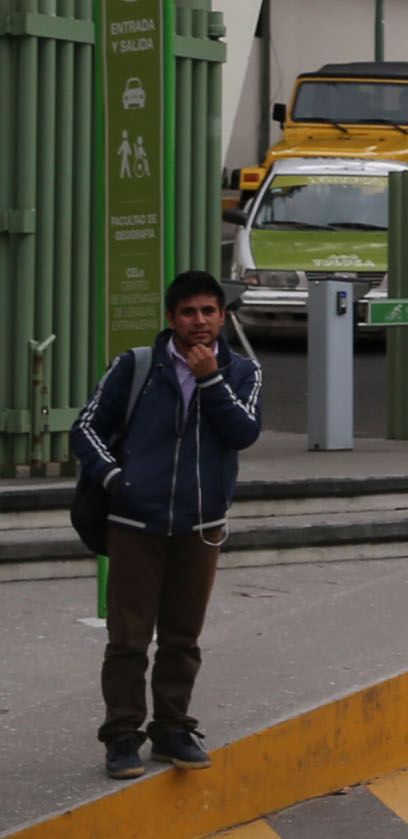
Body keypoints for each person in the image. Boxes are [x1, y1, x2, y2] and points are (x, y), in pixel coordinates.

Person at [72, 270, 262, 781]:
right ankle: (121, 736)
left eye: (208, 311)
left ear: (223, 316)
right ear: (170, 318)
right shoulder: (135, 366)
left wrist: (210, 379)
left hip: (202, 526)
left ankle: (173, 729)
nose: (199, 322)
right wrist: (115, 479)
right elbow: (86, 428)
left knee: (182, 637)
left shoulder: (242, 370)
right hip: (135, 520)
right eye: (187, 312)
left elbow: (243, 432)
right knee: (128, 638)